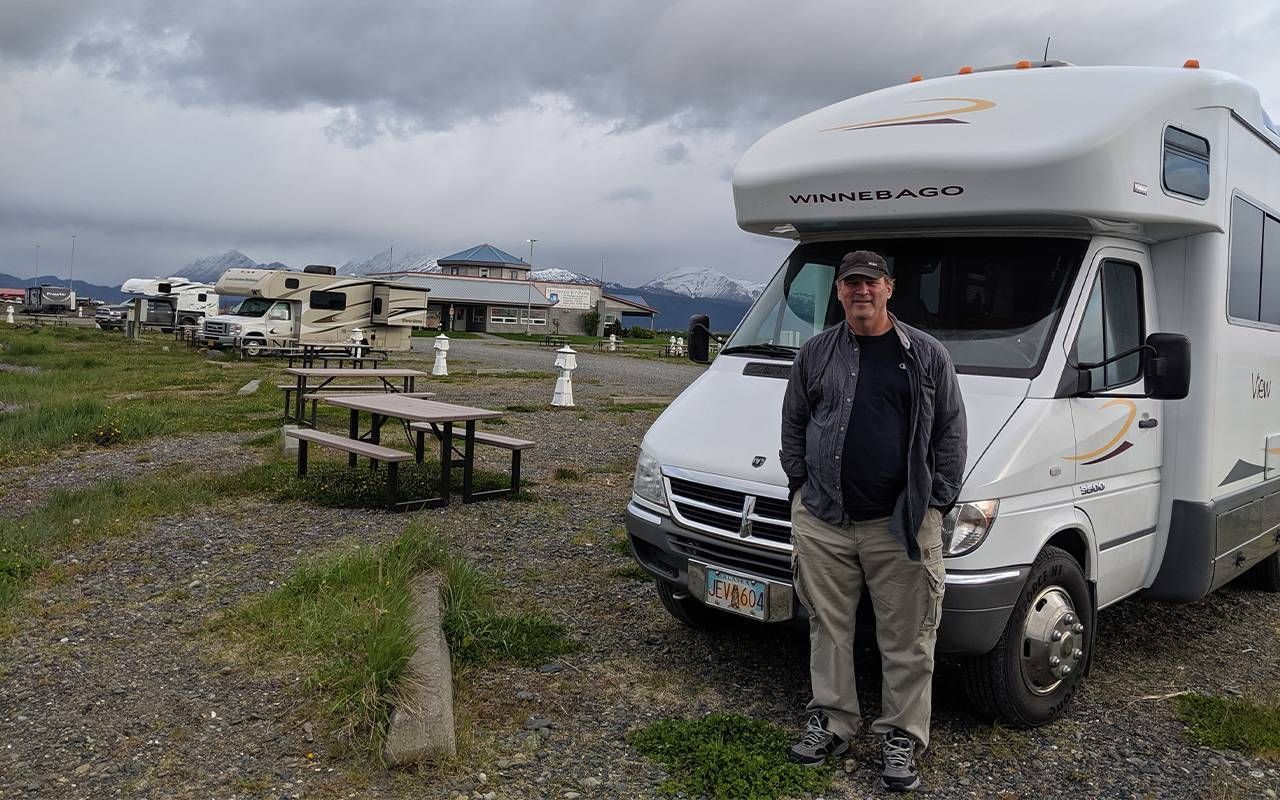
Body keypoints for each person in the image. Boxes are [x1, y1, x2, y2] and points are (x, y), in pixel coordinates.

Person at [780, 249, 967, 792]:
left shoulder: (926, 355)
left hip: (901, 522)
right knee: (827, 627)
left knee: (908, 637)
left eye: (870, 282)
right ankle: (833, 722)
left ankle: (902, 735)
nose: (861, 292)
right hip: (825, 520)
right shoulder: (816, 354)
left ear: (889, 288)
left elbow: (950, 432)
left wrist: (938, 502)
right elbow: (794, 422)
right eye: (850, 284)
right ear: (838, 292)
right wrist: (800, 486)